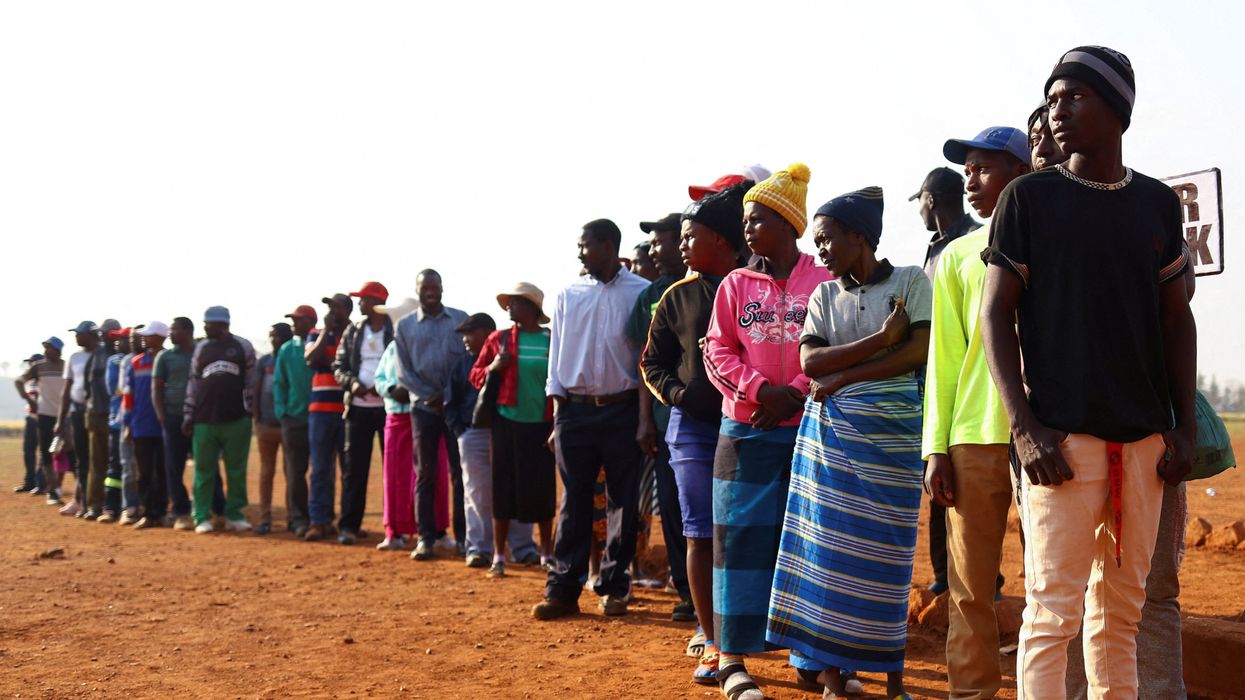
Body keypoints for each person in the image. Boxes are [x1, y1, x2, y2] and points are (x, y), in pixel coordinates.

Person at [980, 46, 1196, 699]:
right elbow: (994, 317)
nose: (1057, 109)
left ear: (1117, 109)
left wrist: (1180, 428)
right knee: (1051, 615)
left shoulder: (1155, 204)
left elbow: (1175, 320)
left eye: (1073, 96)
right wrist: (1024, 427)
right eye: (1051, 98)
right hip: (1059, 444)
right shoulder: (1027, 198)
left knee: (1118, 619)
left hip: (1142, 444)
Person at [700, 164, 829, 700]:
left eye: (758, 219)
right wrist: (760, 392)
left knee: (802, 539)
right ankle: (731, 656)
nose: (748, 229)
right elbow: (717, 350)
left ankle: (807, 654)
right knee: (739, 540)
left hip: (806, 431)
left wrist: (795, 391)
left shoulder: (822, 281)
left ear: (788, 223)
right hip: (746, 430)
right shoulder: (734, 284)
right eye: (747, 219)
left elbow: (830, 343)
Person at [920, 126, 1030, 700]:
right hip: (973, 435)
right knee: (968, 587)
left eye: (984, 168)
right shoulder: (958, 255)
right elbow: (944, 357)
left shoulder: (1053, 241)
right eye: (967, 170)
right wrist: (935, 446)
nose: (971, 179)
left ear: (1021, 171)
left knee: (1056, 582)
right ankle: (973, 694)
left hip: (1049, 433)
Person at [640, 182, 747, 684]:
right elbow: (651, 361)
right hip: (693, 432)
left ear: (722, 241)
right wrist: (678, 396)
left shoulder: (755, 288)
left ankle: (766, 634)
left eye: (690, 236)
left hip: (753, 426)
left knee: (753, 533)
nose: (681, 246)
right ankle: (711, 636)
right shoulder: (676, 296)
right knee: (700, 533)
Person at [531, 219, 650, 621]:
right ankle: (562, 590)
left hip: (623, 409)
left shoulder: (641, 292)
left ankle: (614, 588)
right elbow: (556, 357)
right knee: (574, 502)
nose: (580, 252)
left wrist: (642, 419)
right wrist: (557, 415)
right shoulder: (567, 294)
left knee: (622, 502)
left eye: (585, 245)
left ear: (609, 246)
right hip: (575, 411)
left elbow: (644, 359)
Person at [629, 211, 693, 622]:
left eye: (660, 240)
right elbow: (643, 363)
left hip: (709, 415)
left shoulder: (710, 283)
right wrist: (644, 420)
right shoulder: (649, 295)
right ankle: (687, 592)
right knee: (671, 504)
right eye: (650, 243)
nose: (654, 249)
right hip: (663, 415)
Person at [471, 284, 557, 578]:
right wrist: (493, 367)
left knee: (542, 488)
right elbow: (475, 374)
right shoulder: (499, 339)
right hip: (506, 423)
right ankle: (498, 556)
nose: (510, 308)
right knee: (503, 489)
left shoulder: (550, 339)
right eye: (509, 303)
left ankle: (546, 552)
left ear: (533, 308)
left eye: (517, 302)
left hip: (543, 425)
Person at [448, 311, 541, 570]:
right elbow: (450, 402)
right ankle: (479, 549)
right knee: (477, 492)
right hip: (473, 434)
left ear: (489, 334)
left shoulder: (511, 356)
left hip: (507, 430)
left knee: (516, 487)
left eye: (471, 332)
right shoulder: (462, 364)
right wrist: (461, 432)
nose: (466, 339)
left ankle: (523, 548)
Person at [394, 269, 469, 561]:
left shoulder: (460, 318)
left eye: (435, 286)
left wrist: (449, 396)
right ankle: (425, 539)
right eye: (425, 287)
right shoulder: (405, 326)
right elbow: (404, 372)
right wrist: (430, 395)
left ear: (442, 288)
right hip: (423, 410)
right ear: (417, 290)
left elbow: (467, 361)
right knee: (425, 474)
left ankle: (465, 539)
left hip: (455, 408)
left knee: (460, 475)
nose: (431, 291)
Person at [373, 297, 453, 551]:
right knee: (396, 477)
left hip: (426, 414)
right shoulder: (391, 349)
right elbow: (380, 378)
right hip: (397, 417)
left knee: (433, 474)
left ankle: (437, 530)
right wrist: (391, 389)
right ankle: (394, 531)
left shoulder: (427, 344)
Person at [183, 306, 257, 534]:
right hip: (204, 419)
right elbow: (193, 384)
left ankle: (234, 515)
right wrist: (189, 414)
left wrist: (250, 409)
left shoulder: (242, 346)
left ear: (222, 324)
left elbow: (251, 381)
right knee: (204, 470)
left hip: (236, 418)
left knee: (236, 469)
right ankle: (201, 516)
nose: (205, 327)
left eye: (208, 323)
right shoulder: (201, 348)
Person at [333, 282, 393, 545]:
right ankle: (348, 526)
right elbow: (339, 366)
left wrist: (389, 387)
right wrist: (353, 384)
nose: (359, 305)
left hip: (389, 408)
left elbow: (403, 362)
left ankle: (396, 529)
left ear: (377, 302)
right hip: (357, 409)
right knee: (353, 470)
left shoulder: (396, 328)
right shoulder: (353, 331)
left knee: (393, 471)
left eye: (364, 300)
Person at [155, 316, 223, 530]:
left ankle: (218, 509)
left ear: (187, 331)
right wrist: (162, 416)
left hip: (201, 418)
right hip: (173, 417)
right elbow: (156, 388)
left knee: (208, 464)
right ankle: (181, 512)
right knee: (174, 467)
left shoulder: (202, 352)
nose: (170, 334)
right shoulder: (165, 357)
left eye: (174, 329)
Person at [304, 293, 351, 542]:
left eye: (337, 308)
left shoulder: (356, 334)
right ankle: (319, 522)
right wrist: (326, 332)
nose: (332, 312)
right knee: (321, 468)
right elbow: (312, 359)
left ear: (348, 310)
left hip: (348, 411)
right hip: (320, 410)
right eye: (330, 309)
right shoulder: (316, 333)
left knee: (348, 470)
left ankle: (346, 524)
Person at [274, 305, 317, 536]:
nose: (293, 324)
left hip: (320, 418)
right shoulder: (287, 350)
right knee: (295, 472)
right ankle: (299, 518)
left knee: (322, 471)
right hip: (294, 420)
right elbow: (279, 383)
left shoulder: (320, 345)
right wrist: (283, 413)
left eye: (298, 320)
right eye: (292, 320)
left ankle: (323, 517)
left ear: (311, 322)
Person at [126, 322, 168, 529]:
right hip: (140, 425)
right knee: (143, 473)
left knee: (163, 471)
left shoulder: (169, 360)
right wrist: (127, 423)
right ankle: (147, 512)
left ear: (160, 337)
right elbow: (128, 395)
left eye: (148, 335)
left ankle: (161, 512)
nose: (143, 338)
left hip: (164, 426)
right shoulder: (135, 362)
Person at [253, 322, 292, 536]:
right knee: (267, 472)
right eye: (271, 335)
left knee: (291, 473)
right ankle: (265, 518)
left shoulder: (293, 358)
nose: (272, 339)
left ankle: (292, 517)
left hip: (288, 424)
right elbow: (256, 389)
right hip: (266, 425)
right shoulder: (265, 361)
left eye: (275, 336)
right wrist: (257, 418)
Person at [20, 338, 65, 504]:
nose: (46, 351)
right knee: (46, 454)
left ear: (59, 350)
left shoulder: (66, 366)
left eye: (50, 348)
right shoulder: (38, 367)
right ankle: (52, 492)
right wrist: (30, 401)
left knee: (71, 454)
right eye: (45, 348)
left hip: (65, 415)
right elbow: (19, 381)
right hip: (45, 416)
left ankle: (80, 495)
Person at [100, 325, 132, 523]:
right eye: (116, 339)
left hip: (140, 422)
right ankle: (111, 507)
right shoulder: (114, 361)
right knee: (115, 468)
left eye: (122, 339)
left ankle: (133, 506)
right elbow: (115, 389)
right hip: (117, 421)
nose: (117, 343)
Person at [14, 353, 46, 495]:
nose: (30, 366)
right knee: (28, 452)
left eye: (32, 363)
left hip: (44, 418)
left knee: (44, 452)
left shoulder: (44, 377)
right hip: (31, 418)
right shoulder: (29, 380)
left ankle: (41, 483)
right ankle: (30, 482)